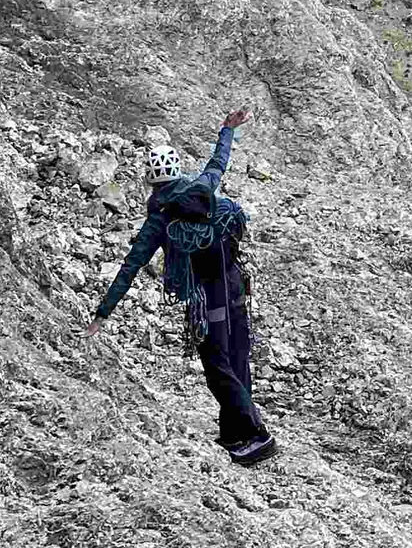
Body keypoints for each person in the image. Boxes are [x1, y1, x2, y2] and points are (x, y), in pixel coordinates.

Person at [90, 106, 277, 467]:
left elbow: (131, 266)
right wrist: (227, 128)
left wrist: (102, 314)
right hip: (235, 284)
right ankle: (234, 432)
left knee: (217, 366)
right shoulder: (202, 187)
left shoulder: (160, 217)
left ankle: (257, 436)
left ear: (151, 179)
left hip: (206, 296)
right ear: (177, 170)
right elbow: (218, 162)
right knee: (237, 358)